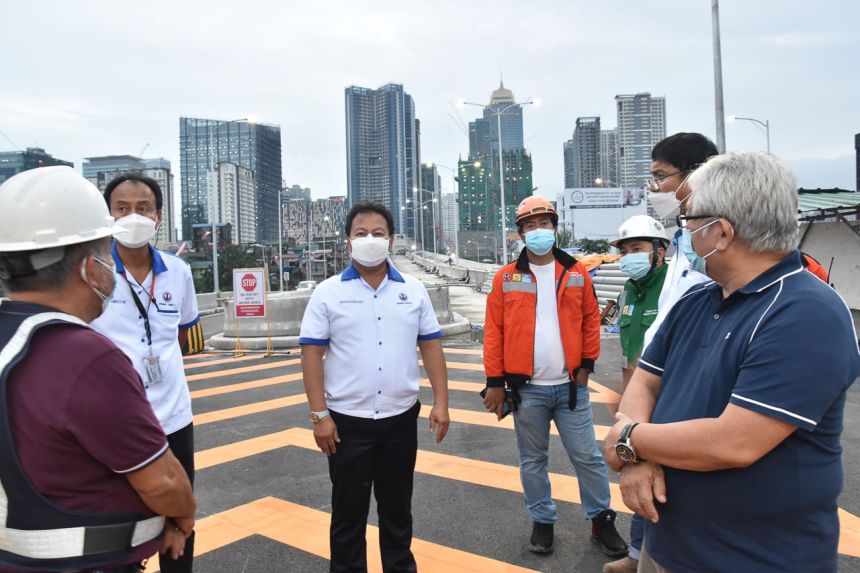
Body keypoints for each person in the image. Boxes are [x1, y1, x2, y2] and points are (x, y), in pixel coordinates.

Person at [604, 152, 860, 572]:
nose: (683, 232)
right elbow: (645, 383)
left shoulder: (805, 312)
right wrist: (636, 455)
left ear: (721, 232)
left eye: (688, 220)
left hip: (754, 559)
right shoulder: (695, 301)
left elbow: (734, 441)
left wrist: (628, 439)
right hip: (668, 546)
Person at [0, 166, 196, 572]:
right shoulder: (86, 358)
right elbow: (164, 485)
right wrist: (183, 511)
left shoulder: (12, 335)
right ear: (91, 268)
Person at [299, 201, 450, 573]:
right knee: (348, 516)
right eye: (360, 233)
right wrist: (320, 416)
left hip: (400, 420)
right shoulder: (328, 292)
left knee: (397, 512)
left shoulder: (413, 291)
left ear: (392, 240)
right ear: (348, 241)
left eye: (378, 233)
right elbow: (310, 356)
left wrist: (441, 402)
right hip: (346, 423)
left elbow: (430, 345)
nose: (370, 240)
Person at [482, 196, 627, 558]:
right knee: (532, 461)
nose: (538, 231)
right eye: (530, 226)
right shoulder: (506, 277)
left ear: (554, 227)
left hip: (569, 389)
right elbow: (494, 332)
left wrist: (586, 367)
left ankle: (601, 520)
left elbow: (591, 320)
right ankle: (542, 521)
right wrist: (495, 382)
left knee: (588, 457)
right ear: (520, 234)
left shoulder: (576, 272)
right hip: (526, 391)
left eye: (544, 224)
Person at [602, 133, 718, 573]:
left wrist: (631, 440)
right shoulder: (686, 244)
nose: (654, 189)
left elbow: (738, 440)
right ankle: (641, 556)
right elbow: (646, 353)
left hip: (688, 397)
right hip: (655, 391)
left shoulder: (703, 256)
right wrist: (634, 426)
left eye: (660, 177)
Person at [90, 173, 200, 573]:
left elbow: (185, 335)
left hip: (173, 417)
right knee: (118, 525)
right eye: (122, 208)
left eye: (143, 208)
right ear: (108, 216)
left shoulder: (178, 271)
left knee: (179, 519)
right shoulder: (92, 274)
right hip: (112, 421)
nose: (133, 216)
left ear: (158, 216)